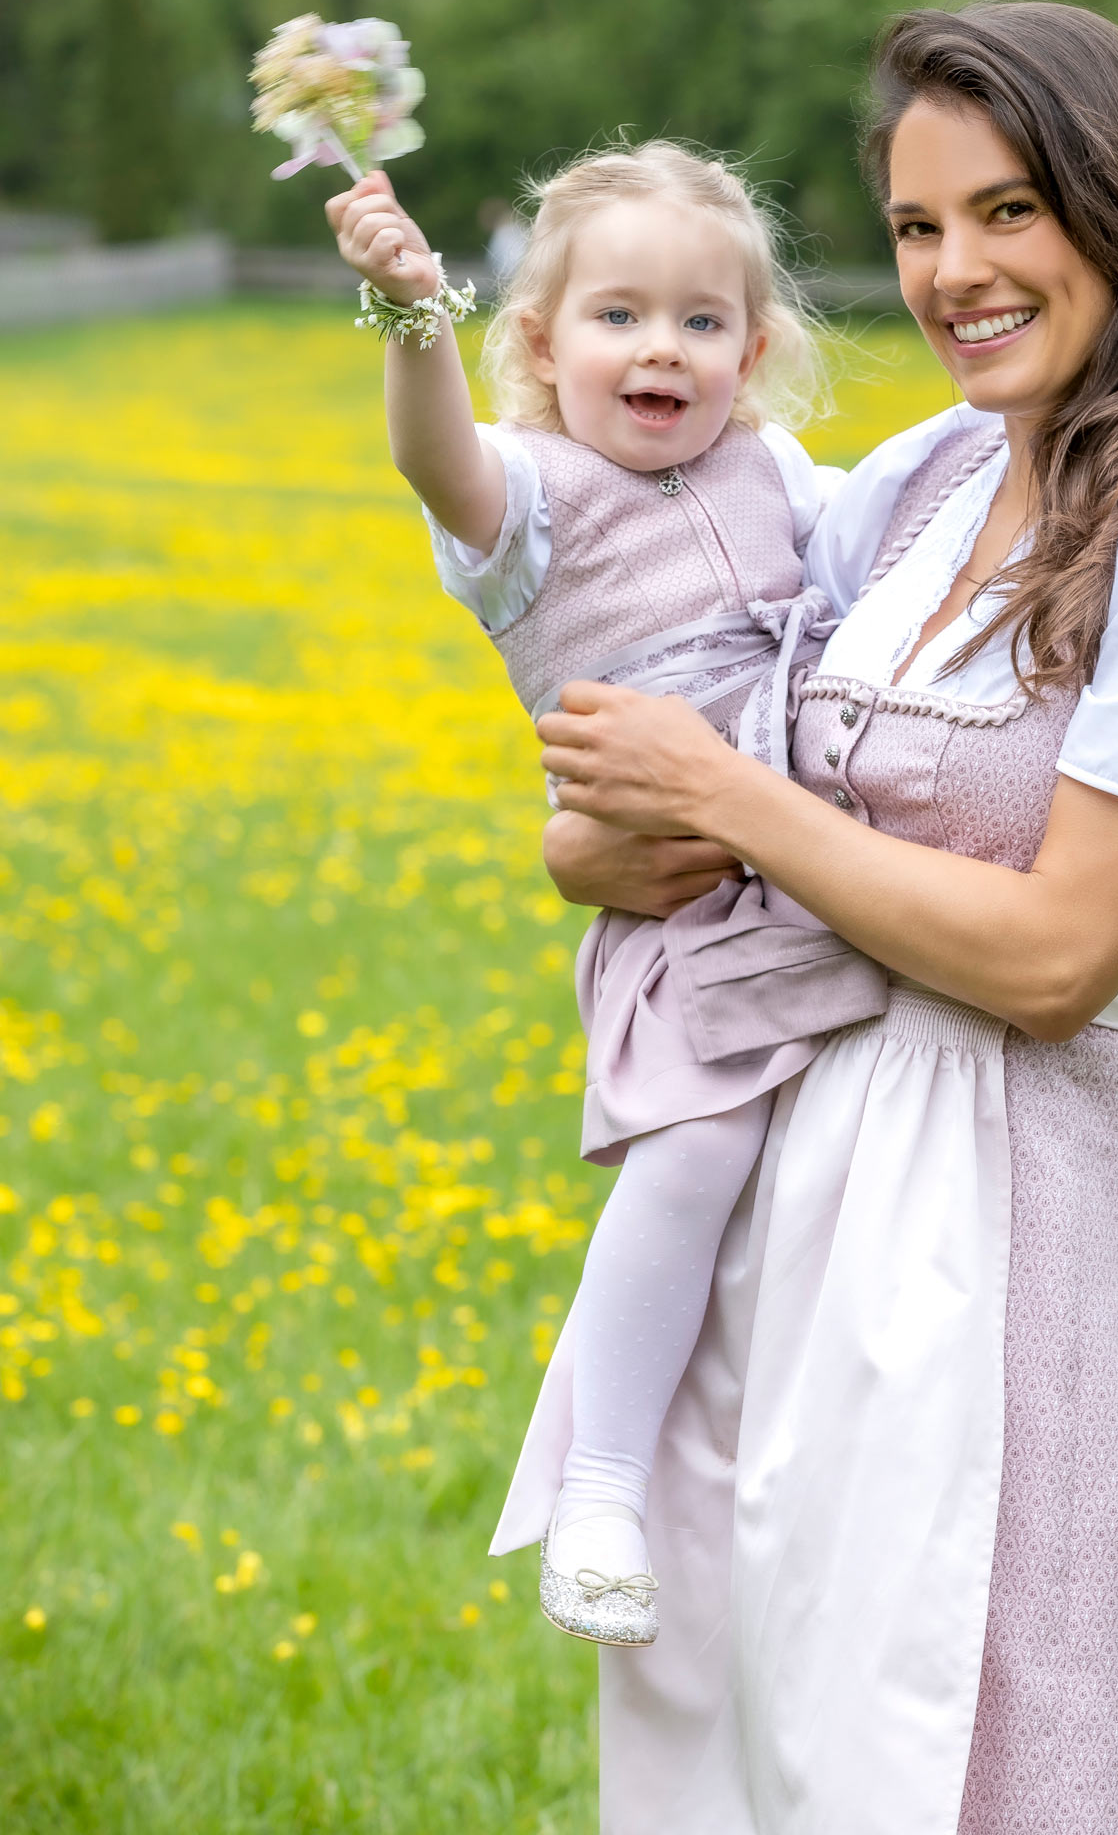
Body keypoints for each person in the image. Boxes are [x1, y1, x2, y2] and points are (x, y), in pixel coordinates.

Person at [522, 3, 1118, 1833]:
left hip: (1021, 1219)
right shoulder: (909, 484)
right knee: (763, 1725)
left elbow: (1061, 960)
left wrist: (726, 803)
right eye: (914, 228)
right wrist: (595, 844)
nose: (954, 273)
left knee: (990, 1736)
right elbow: (694, 742)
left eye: (1007, 212)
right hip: (785, 1187)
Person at [326, 142, 887, 1647]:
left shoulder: (781, 473)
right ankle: (598, 1491)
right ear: (541, 344)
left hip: (828, 863)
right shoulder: (531, 504)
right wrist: (411, 317)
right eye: (619, 317)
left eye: (703, 323)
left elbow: (907, 532)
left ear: (753, 354)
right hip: (688, 909)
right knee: (694, 1157)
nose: (663, 350)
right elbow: (431, 460)